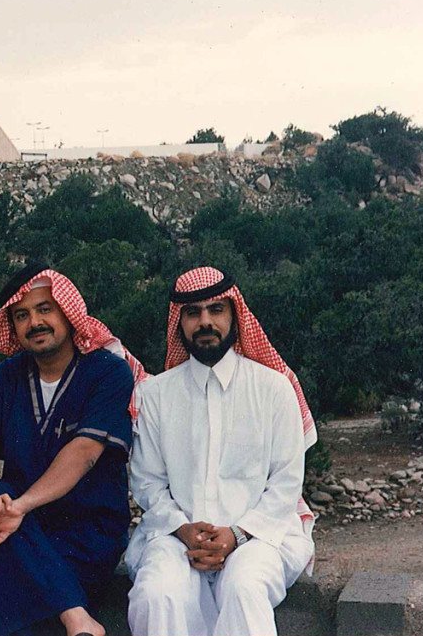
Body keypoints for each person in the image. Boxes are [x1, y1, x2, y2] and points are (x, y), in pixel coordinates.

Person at [0, 264, 149, 636]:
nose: (35, 322)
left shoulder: (108, 372)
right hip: (20, 528)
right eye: (22, 315)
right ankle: (77, 618)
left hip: (86, 535)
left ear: (67, 312)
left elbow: (85, 452)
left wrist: (18, 507)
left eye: (45, 309)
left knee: (1, 534)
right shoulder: (5, 377)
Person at [126, 266, 317, 636]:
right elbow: (147, 481)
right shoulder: (156, 395)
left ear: (234, 315)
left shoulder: (274, 389)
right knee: (157, 594)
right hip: (175, 534)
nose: (205, 321)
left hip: (260, 535)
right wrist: (182, 529)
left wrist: (237, 535)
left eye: (216, 310)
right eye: (193, 313)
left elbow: (286, 482)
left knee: (243, 587)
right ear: (179, 322)